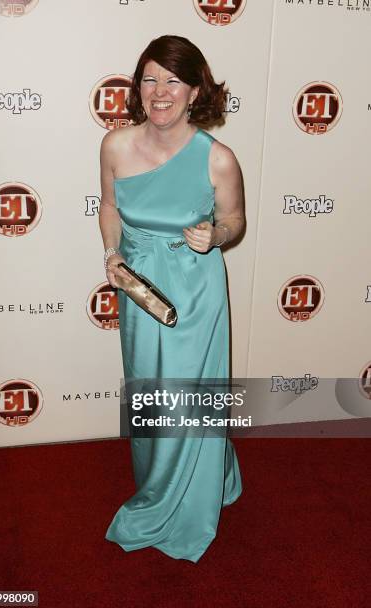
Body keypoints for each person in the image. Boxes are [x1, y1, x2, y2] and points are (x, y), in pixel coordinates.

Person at [99, 34, 245, 563]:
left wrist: (218, 235)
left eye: (172, 80)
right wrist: (112, 254)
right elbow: (110, 207)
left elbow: (235, 221)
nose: (159, 91)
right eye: (149, 79)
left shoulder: (218, 159)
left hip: (195, 289)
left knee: (190, 396)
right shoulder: (115, 145)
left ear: (194, 90)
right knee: (151, 392)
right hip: (140, 291)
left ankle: (180, 501)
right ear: (138, 88)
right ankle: (166, 474)